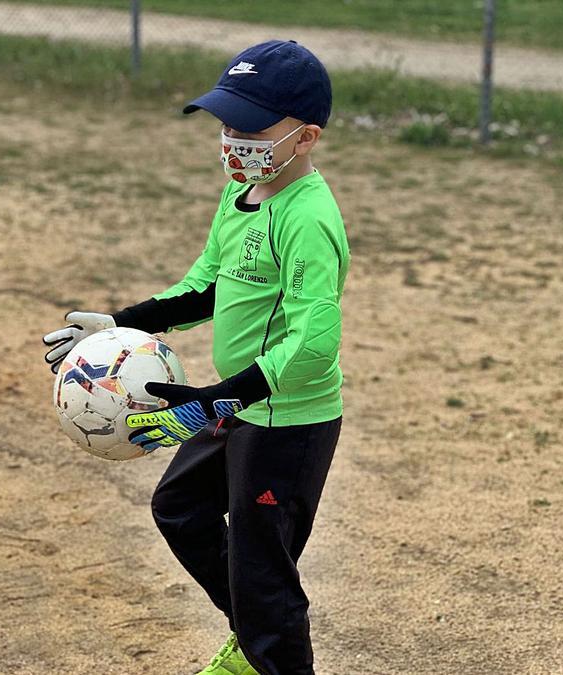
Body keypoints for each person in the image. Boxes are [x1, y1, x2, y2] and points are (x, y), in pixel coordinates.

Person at [42, 40, 349, 675]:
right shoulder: (243, 194)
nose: (233, 140)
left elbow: (314, 341)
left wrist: (220, 399)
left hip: (286, 420)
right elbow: (206, 288)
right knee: (180, 508)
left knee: (264, 570)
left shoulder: (309, 217)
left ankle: (264, 650)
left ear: (306, 136)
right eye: (226, 124)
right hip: (236, 406)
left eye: (252, 127)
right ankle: (254, 629)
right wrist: (120, 324)